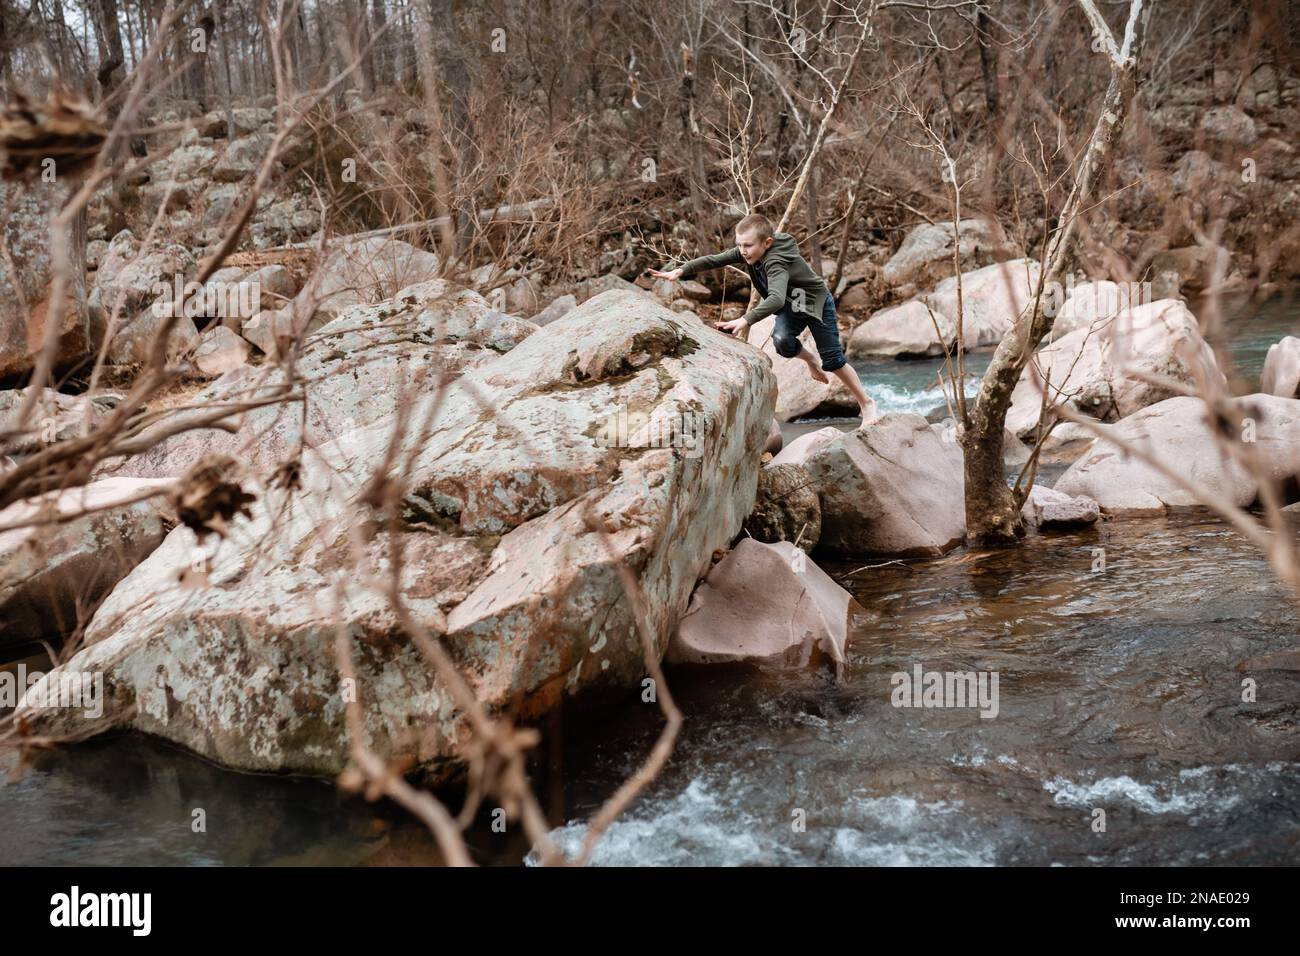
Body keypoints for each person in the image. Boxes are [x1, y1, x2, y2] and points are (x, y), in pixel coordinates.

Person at [649, 213, 873, 420]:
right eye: (739, 245)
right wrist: (681, 270)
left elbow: (775, 298)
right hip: (791, 307)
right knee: (782, 342)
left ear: (767, 243)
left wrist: (745, 320)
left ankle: (866, 403)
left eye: (748, 245)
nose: (742, 250)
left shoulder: (775, 261)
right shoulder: (748, 252)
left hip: (816, 304)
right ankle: (810, 360)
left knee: (833, 360)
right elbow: (714, 260)